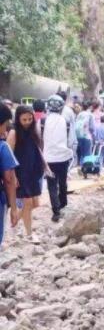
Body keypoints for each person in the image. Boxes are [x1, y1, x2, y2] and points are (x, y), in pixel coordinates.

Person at [7, 105, 46, 239]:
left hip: (33, 172)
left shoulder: (33, 130)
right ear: (18, 119)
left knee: (35, 204)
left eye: (30, 119)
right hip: (20, 173)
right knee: (28, 203)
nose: (28, 122)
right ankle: (29, 234)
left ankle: (14, 221)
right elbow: (9, 157)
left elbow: (37, 150)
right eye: (24, 120)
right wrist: (13, 176)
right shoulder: (14, 133)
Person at [43, 94, 73, 222]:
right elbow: (70, 141)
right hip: (63, 157)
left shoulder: (43, 121)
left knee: (52, 185)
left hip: (49, 158)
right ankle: (63, 203)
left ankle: (56, 211)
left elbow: (40, 139)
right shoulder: (66, 122)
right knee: (62, 182)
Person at [0, 103, 19, 247]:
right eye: (6, 124)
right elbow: (9, 179)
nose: (6, 128)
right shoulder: (3, 147)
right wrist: (13, 208)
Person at [59, 90, 77, 169]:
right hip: (68, 139)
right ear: (66, 99)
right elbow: (73, 124)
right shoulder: (69, 110)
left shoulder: (52, 111)